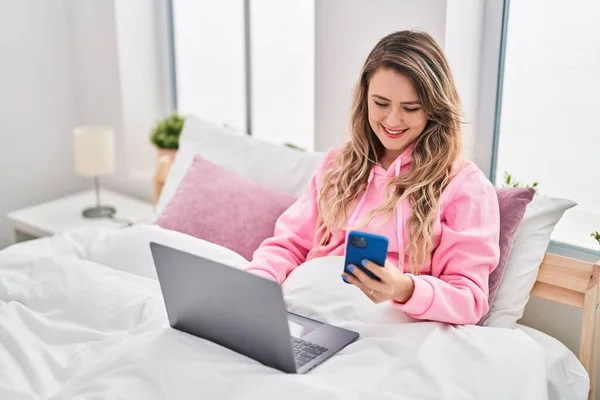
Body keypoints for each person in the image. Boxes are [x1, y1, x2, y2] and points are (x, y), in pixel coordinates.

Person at [244, 30, 500, 325]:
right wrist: (256, 284)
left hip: (381, 328)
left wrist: (405, 288)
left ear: (435, 108)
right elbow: (288, 245)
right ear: (364, 98)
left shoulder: (465, 186)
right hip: (306, 314)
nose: (392, 120)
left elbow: (469, 300)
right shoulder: (337, 165)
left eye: (410, 108)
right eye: (380, 103)